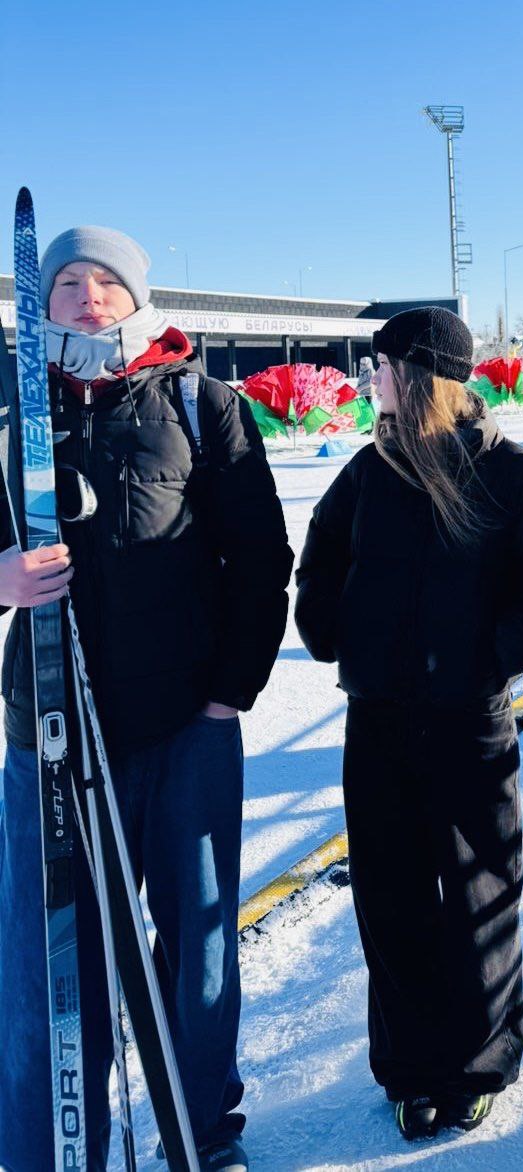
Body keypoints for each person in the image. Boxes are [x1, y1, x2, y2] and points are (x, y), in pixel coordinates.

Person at [0, 226, 294, 1172]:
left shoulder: (202, 404)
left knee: (197, 948)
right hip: (49, 731)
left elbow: (260, 558)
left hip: (185, 728)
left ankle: (200, 1129)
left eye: (107, 282)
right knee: (48, 959)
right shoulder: (10, 413)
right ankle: (50, 1145)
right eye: (68, 282)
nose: (88, 296)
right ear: (41, 302)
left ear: (136, 299)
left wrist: (228, 694)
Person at [294, 307, 523, 1142]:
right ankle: (411, 1068)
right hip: (378, 720)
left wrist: (490, 657)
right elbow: (320, 562)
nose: (371, 380)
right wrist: (334, 633)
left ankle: (479, 1064)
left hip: (468, 722)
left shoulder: (514, 477)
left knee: (479, 893)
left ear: (421, 376)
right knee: (391, 900)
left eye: (382, 366)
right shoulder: (367, 471)